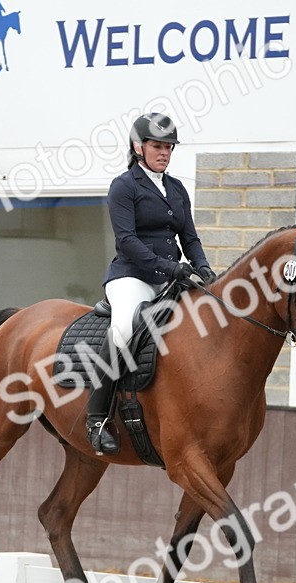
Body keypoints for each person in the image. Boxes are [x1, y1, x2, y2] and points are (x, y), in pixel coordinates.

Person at [86, 112, 215, 455]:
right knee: (125, 330)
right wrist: (171, 269)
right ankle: (97, 420)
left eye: (168, 147)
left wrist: (203, 268)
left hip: (170, 276)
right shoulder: (124, 186)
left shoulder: (176, 188)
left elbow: (190, 236)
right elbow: (127, 241)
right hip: (132, 276)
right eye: (157, 146)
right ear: (138, 147)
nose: (164, 153)